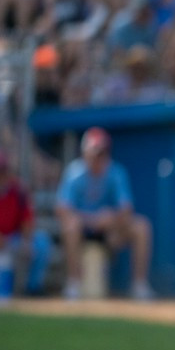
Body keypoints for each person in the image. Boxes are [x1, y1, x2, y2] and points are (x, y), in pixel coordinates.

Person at [54, 127, 154, 300]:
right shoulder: (74, 173)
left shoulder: (116, 172)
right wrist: (92, 219)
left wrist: (112, 219)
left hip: (110, 232)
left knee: (141, 226)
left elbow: (126, 209)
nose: (99, 158)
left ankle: (139, 285)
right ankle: (73, 284)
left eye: (103, 153)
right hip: (82, 230)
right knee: (71, 226)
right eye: (95, 153)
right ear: (85, 153)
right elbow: (62, 210)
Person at [0, 148, 52, 297]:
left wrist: (26, 241)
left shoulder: (18, 190)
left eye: (3, 170)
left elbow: (27, 220)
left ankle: (32, 288)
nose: (0, 174)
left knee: (41, 243)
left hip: (13, 238)